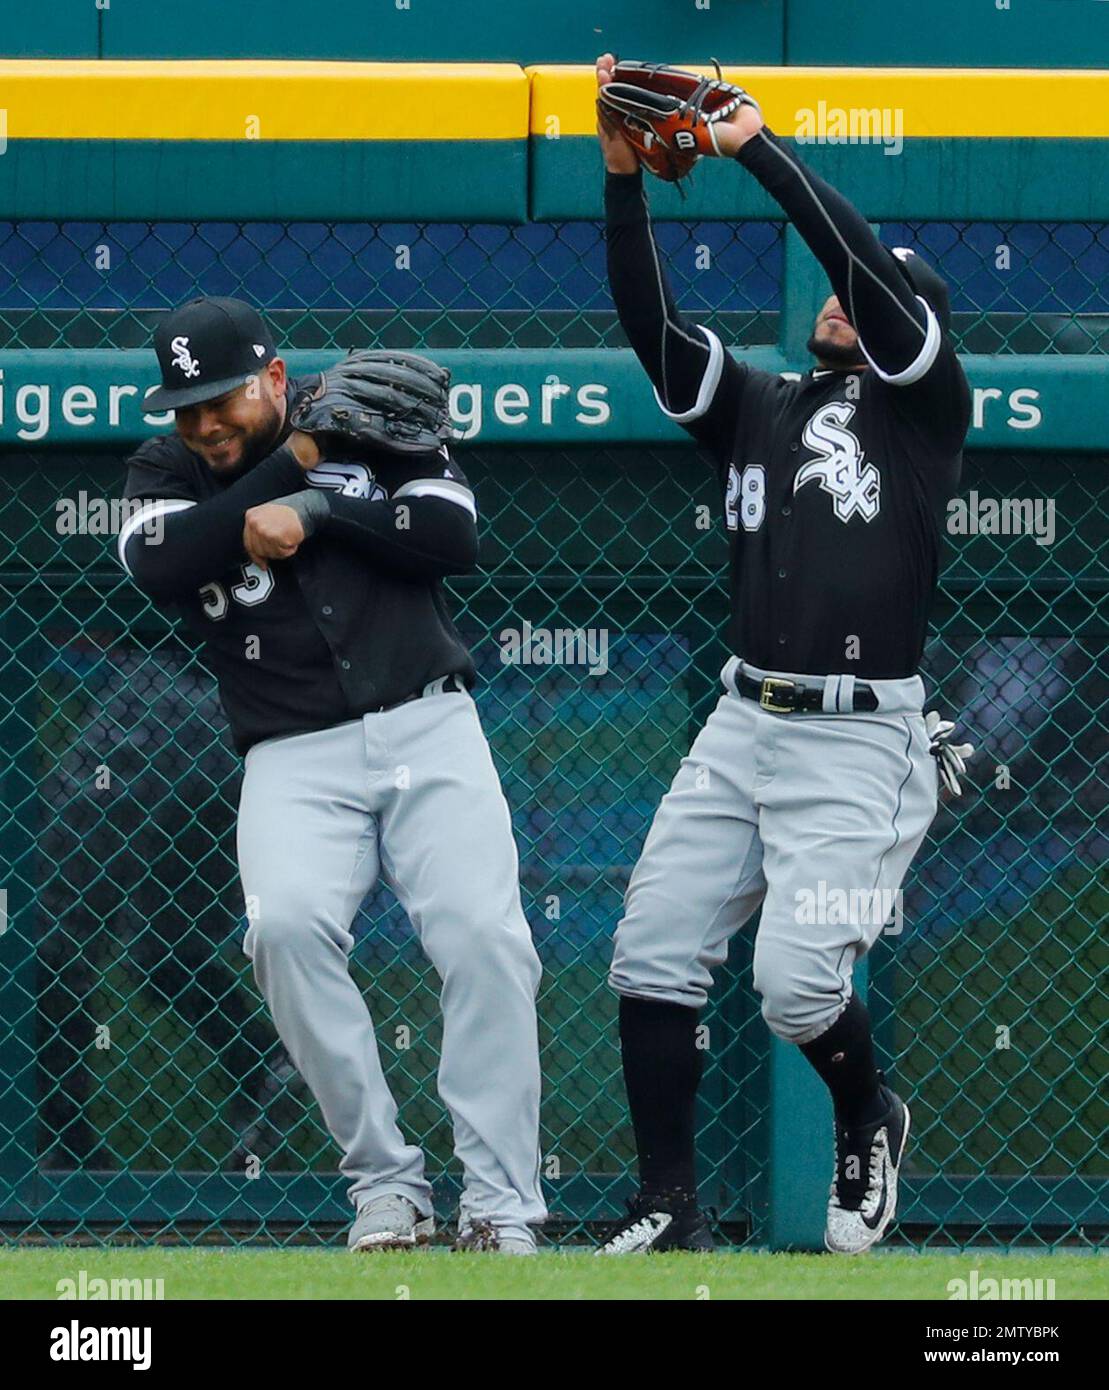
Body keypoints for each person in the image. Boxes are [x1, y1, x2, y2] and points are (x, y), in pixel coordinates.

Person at [594, 54, 972, 1254]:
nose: (840, 298)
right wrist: (620, 182)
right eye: (838, 293)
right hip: (740, 720)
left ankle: (868, 1111)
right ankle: (667, 1208)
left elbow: (860, 265)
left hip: (864, 735)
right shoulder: (761, 403)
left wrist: (758, 146)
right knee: (649, 953)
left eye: (871, 296)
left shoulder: (925, 410)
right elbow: (652, 331)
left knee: (798, 985)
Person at [117, 296, 545, 1253]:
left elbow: (450, 537)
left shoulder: (364, 416)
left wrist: (318, 504)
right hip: (290, 750)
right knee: (285, 932)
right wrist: (292, 466)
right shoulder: (165, 467)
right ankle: (386, 1185)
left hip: (427, 720)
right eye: (186, 407)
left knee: (485, 942)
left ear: (274, 378)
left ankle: (499, 1206)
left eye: (219, 400)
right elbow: (167, 558)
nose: (202, 425)